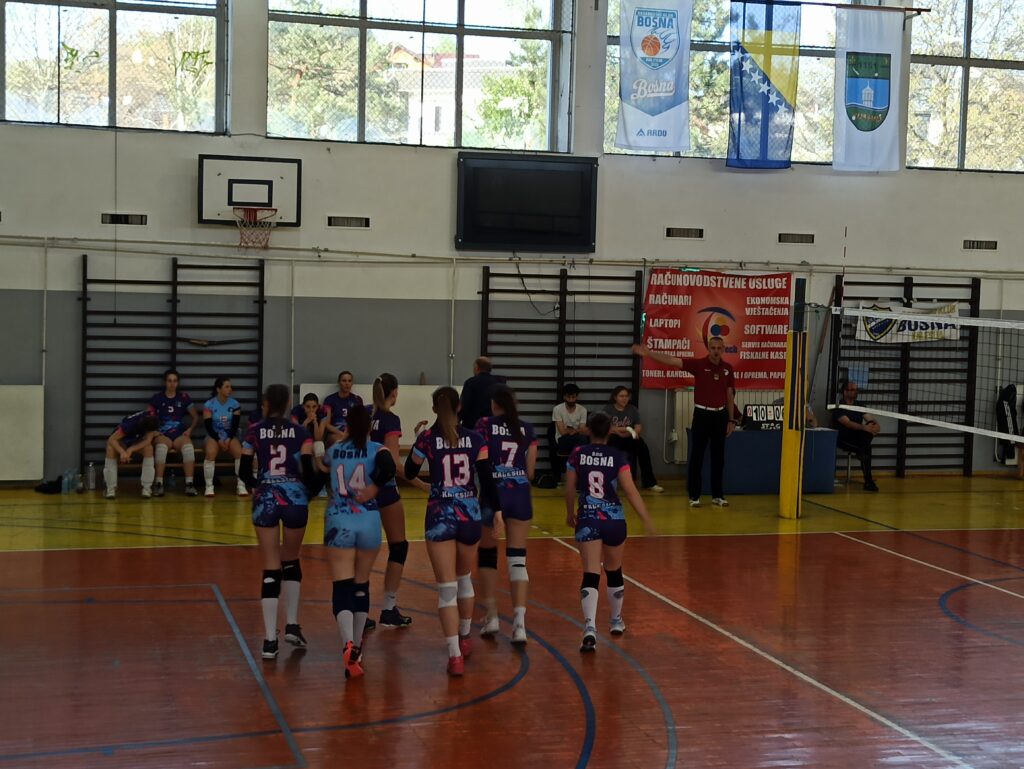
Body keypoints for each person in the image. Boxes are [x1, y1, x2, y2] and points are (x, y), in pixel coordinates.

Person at [405, 386, 503, 677]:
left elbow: (409, 472)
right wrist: (497, 512)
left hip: (439, 516)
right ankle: (465, 636)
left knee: (446, 589)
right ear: (459, 407)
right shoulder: (476, 439)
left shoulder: (427, 438)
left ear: (435, 408)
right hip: (469, 514)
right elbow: (487, 478)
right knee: (464, 580)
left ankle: (454, 656)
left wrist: (418, 438)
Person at [239, 384, 319, 661]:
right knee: (292, 560)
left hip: (266, 499)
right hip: (295, 499)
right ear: (286, 405)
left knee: (271, 566)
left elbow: (243, 470)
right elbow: (309, 471)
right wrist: (310, 492)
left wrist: (258, 486)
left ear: (265, 404)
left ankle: (269, 640)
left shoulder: (254, 431)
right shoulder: (301, 432)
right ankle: (292, 625)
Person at [565, 412, 655, 652]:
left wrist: (569, 512)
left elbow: (570, 487)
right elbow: (631, 491)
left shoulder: (577, 454)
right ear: (610, 432)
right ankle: (615, 621)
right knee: (614, 570)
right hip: (614, 519)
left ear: (588, 430)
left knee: (591, 572)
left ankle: (589, 627)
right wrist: (646, 518)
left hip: (588, 517)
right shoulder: (618, 456)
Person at [317, 405, 396, 679]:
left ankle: (348, 644)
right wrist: (373, 488)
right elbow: (389, 467)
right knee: (362, 584)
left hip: (339, 520)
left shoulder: (335, 450)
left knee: (342, 585)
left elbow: (320, 469)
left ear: (346, 425)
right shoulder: (376, 449)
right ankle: (358, 650)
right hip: (368, 520)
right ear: (370, 427)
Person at [632, 338, 735, 507]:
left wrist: (731, 419)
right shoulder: (698, 365)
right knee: (697, 457)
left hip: (720, 416)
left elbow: (730, 394)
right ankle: (694, 496)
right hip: (702, 414)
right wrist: (649, 353)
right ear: (708, 348)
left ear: (723, 349)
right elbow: (672, 360)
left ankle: (718, 495)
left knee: (718, 458)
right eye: (713, 348)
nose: (716, 351)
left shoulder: (728, 368)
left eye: (719, 348)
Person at [475, 385, 537, 645]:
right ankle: (519, 624)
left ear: (494, 404)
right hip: (520, 495)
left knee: (488, 556)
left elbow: (479, 461)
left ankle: (491, 617)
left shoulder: (484, 425)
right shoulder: (527, 429)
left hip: (493, 494)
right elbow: (531, 472)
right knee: (517, 559)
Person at [369, 373, 425, 629]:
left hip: (361, 486)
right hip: (384, 489)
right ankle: (388, 608)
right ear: (395, 392)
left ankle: (359, 612)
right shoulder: (390, 419)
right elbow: (392, 464)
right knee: (399, 546)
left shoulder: (365, 413)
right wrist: (422, 484)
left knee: (362, 550)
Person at [148, 369, 200, 497]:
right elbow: (148, 417)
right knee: (161, 448)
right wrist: (154, 431)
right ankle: (158, 484)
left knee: (188, 448)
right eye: (169, 381)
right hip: (163, 434)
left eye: (175, 381)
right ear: (165, 382)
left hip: (179, 435)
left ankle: (189, 484)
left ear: (178, 382)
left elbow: (196, 417)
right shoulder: (157, 398)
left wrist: (190, 429)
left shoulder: (184, 397)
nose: (172, 384)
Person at [602, 386, 664, 493]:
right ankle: (607, 483)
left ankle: (649, 483)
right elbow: (607, 428)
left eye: (626, 396)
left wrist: (631, 432)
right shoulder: (608, 409)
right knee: (609, 448)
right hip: (614, 438)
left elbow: (638, 427)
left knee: (643, 448)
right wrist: (625, 429)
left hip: (630, 436)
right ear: (615, 397)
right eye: (621, 396)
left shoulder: (632, 409)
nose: (624, 398)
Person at [832, 379, 880, 492]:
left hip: (857, 439)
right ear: (845, 391)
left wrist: (876, 426)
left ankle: (862, 452)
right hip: (843, 439)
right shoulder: (839, 407)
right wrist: (865, 428)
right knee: (867, 447)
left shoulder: (859, 405)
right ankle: (868, 481)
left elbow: (870, 419)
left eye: (856, 390)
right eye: (853, 390)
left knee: (866, 442)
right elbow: (848, 423)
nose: (855, 392)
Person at [202, 377, 245, 498]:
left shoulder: (235, 404)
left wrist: (229, 438)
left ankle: (241, 485)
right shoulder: (209, 404)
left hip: (229, 435)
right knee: (210, 452)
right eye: (227, 387)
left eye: (230, 387)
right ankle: (209, 486)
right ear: (218, 389)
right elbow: (208, 427)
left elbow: (235, 425)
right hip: (213, 435)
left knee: (239, 453)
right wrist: (218, 440)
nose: (230, 389)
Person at [103, 411, 161, 499]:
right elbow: (111, 439)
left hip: (136, 441)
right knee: (110, 449)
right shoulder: (130, 424)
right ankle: (110, 488)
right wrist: (122, 452)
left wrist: (130, 450)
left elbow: (147, 441)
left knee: (149, 449)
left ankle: (147, 488)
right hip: (122, 440)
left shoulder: (152, 418)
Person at [552, 383, 589, 480]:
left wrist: (573, 430)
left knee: (583, 440)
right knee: (572, 441)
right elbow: (562, 431)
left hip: (578, 437)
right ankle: (570, 471)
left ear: (577, 396)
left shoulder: (582, 410)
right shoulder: (557, 409)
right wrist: (576, 430)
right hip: (562, 438)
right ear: (564, 397)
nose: (571, 400)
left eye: (573, 397)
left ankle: (577, 473)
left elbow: (583, 430)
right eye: (569, 397)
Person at [459, 356, 502, 429]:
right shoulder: (498, 383)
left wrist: (458, 419)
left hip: (472, 424)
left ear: (477, 367)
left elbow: (465, 404)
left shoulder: (470, 382)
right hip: (493, 425)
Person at [323, 370, 364, 445]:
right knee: (340, 440)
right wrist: (341, 433)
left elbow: (360, 421)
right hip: (335, 433)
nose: (347, 383)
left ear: (352, 383)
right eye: (344, 381)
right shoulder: (330, 400)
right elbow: (326, 424)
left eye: (349, 381)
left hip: (352, 433)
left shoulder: (357, 400)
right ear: (339, 382)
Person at [291, 392, 328, 461]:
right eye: (308, 407)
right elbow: (296, 434)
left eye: (314, 407)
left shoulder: (322, 411)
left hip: (314, 440)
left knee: (319, 445)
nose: (311, 410)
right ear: (303, 406)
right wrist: (306, 422)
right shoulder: (296, 411)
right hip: (301, 441)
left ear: (318, 406)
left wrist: (315, 423)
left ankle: (319, 467)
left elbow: (318, 438)